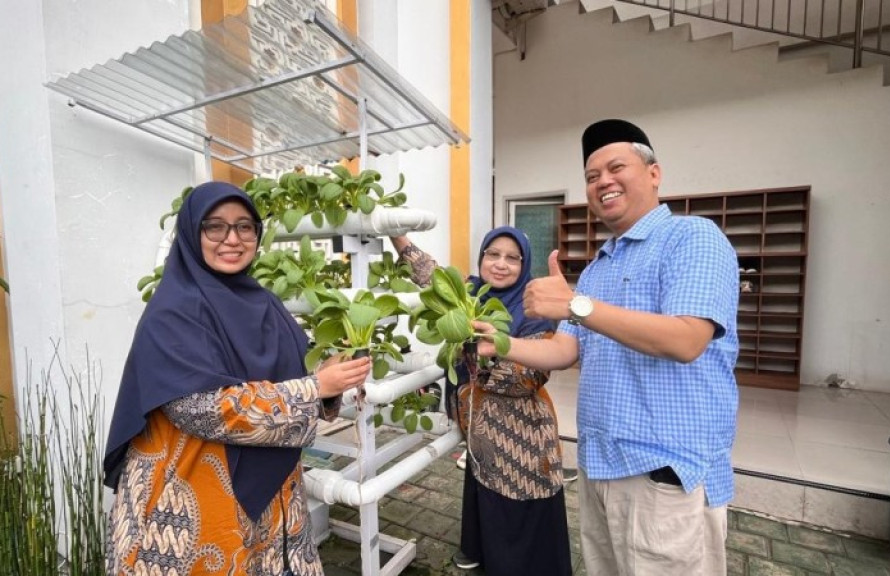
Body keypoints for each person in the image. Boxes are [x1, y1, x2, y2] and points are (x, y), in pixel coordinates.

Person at [478, 119, 739, 575]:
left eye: (616, 168)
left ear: (654, 173)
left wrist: (574, 304)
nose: (603, 182)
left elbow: (687, 339)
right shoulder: (598, 268)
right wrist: (500, 343)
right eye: (591, 176)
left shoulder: (693, 238)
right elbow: (565, 350)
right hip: (600, 467)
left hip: (663, 474)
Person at [103, 181, 372, 576]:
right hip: (190, 497)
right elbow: (198, 409)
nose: (232, 239)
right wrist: (315, 388)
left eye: (245, 226)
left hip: (277, 505)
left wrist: (331, 374)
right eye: (215, 226)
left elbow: (297, 374)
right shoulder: (172, 311)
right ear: (192, 232)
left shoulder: (265, 303)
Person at [390, 229, 573, 576]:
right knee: (486, 489)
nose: (501, 264)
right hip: (480, 429)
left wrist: (482, 351)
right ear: (482, 257)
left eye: (512, 258)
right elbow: (431, 274)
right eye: (493, 254)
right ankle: (481, 552)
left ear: (525, 264)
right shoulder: (470, 293)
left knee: (516, 503)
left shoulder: (533, 306)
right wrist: (397, 235)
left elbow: (528, 378)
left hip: (523, 436)